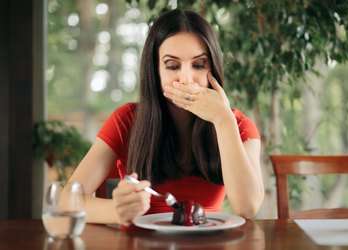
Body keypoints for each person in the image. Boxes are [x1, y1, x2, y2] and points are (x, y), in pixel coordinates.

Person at [67, 9, 264, 226]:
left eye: (199, 65)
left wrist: (223, 120)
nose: (186, 79)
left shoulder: (238, 125)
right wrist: (116, 211)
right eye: (172, 66)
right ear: (155, 70)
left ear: (214, 70)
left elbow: (247, 208)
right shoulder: (127, 120)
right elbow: (66, 201)